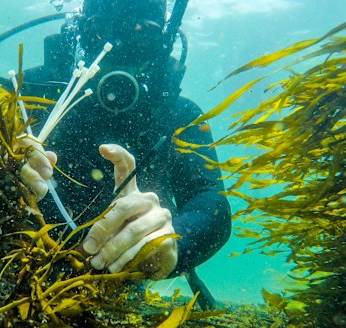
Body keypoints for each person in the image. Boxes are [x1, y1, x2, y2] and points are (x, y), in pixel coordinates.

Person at [16, 0, 231, 292]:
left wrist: (174, 241)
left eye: (140, 35)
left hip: (124, 276)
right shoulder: (24, 99)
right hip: (25, 266)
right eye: (100, 32)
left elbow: (211, 202)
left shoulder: (180, 116)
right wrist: (1, 169)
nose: (118, 47)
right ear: (79, 32)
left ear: (163, 41)